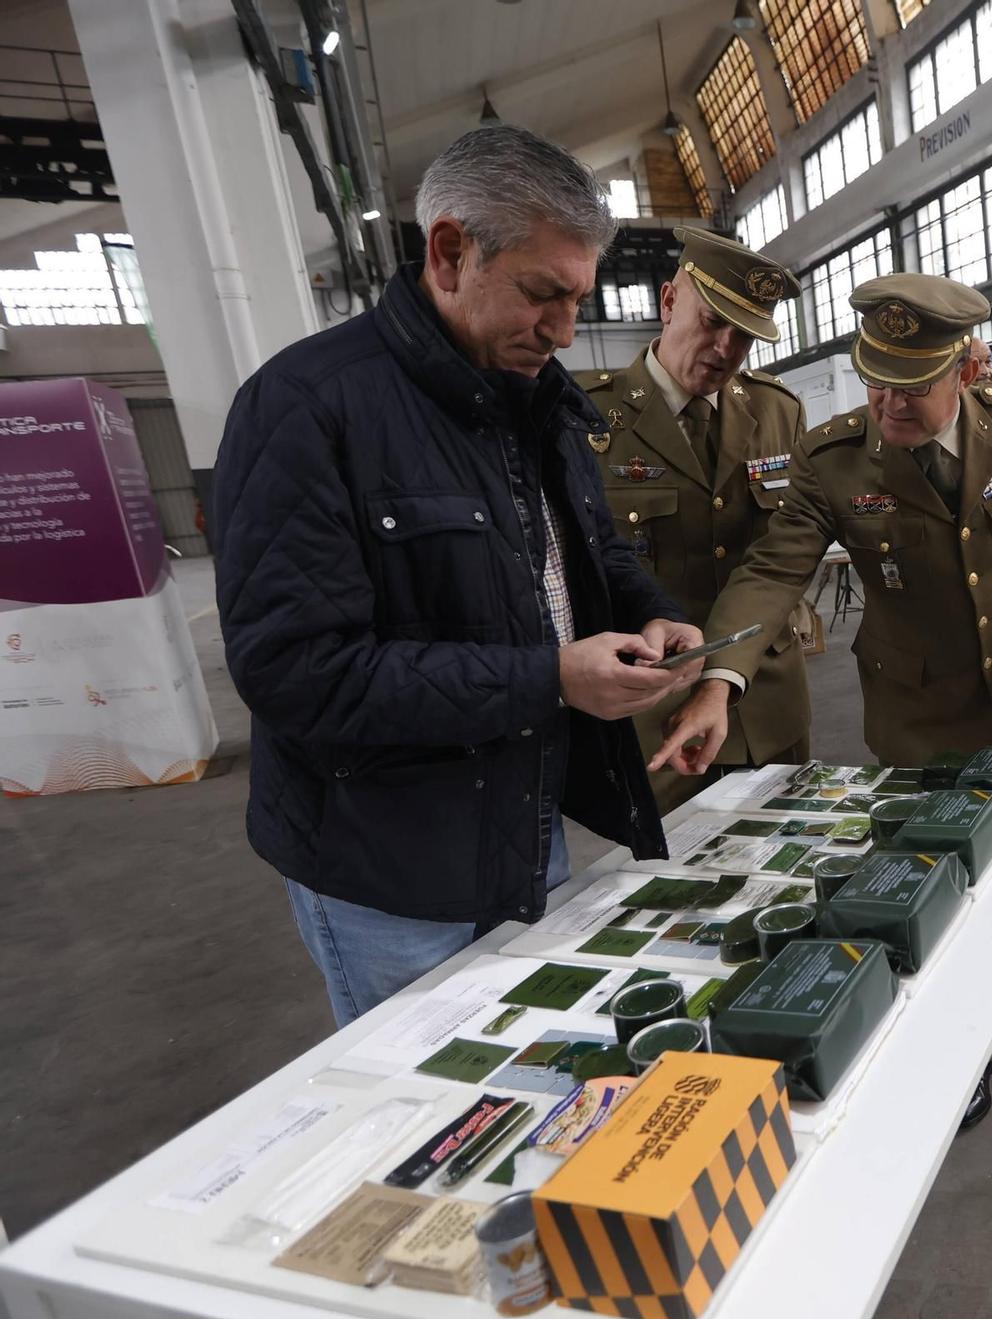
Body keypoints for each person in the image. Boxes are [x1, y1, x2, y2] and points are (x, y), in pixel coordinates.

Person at [212, 126, 704, 1026]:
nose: (564, 330)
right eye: (541, 294)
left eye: (578, 299)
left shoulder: (536, 399)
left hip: (524, 826)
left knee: (537, 1060)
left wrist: (654, 613)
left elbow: (590, 550)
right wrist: (552, 679)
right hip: (386, 870)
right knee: (424, 1089)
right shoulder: (307, 408)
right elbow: (298, 671)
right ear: (449, 253)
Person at [656, 274, 992, 1129]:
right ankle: (967, 1045)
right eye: (875, 381)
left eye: (912, 385)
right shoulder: (834, 459)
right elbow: (773, 571)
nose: (888, 403)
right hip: (914, 711)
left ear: (967, 370)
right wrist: (719, 680)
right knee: (933, 883)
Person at [587, 228, 813, 814]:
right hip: (658, 713)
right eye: (712, 321)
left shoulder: (777, 411)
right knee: (683, 866)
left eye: (745, 336)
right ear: (669, 302)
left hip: (768, 700)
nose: (725, 349)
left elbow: (786, 551)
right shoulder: (588, 418)